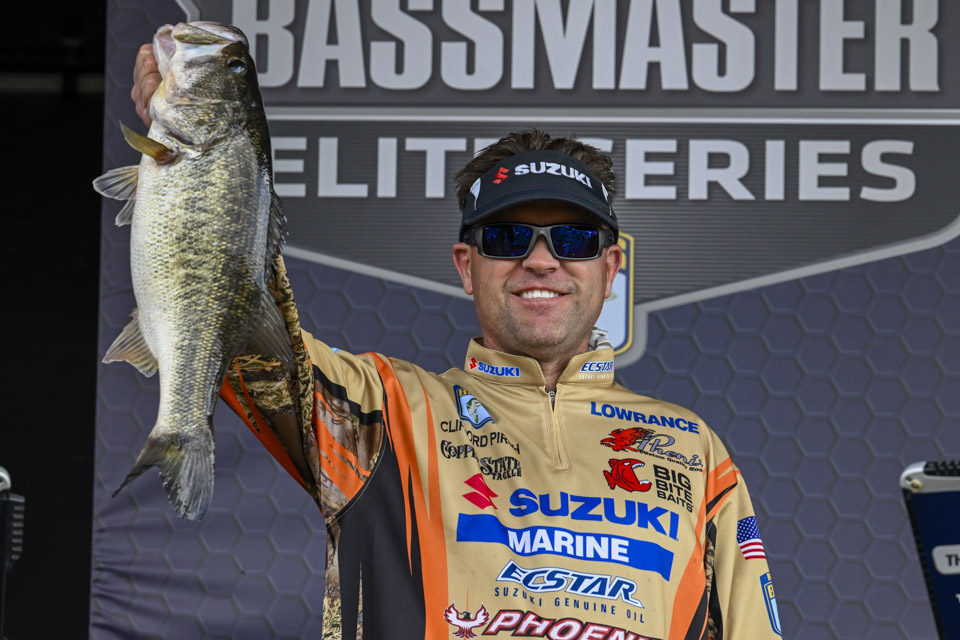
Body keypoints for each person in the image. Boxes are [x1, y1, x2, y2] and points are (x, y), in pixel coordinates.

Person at [132, 46, 782, 640]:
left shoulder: (694, 451)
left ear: (610, 269)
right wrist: (202, 159)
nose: (541, 260)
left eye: (573, 239)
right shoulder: (383, 411)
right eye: (507, 238)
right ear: (467, 266)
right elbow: (232, 328)